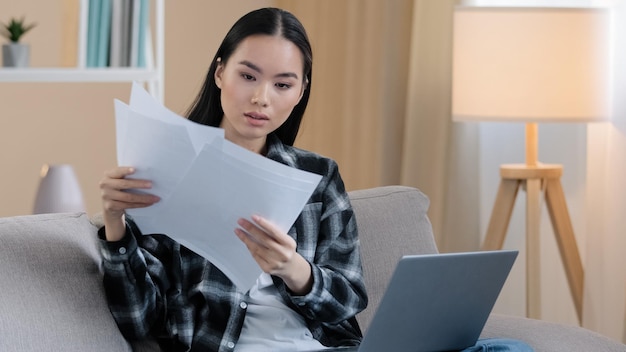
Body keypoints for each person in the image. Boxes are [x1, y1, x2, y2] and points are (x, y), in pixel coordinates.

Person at [98, 7, 533, 352]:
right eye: (247, 76)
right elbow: (141, 321)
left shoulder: (318, 178)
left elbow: (347, 301)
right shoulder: (168, 169)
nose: (260, 98)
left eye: (282, 84)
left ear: (301, 91)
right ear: (220, 73)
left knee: (508, 349)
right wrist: (116, 227)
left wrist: (295, 270)